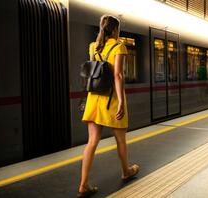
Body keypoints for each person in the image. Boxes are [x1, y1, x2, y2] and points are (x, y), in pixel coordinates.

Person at [78, 15, 139, 197]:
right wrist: (121, 101)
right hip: (111, 99)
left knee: (92, 142)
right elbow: (117, 76)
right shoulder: (118, 46)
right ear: (115, 30)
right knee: (121, 140)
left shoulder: (93, 47)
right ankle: (126, 171)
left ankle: (83, 184)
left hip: (94, 98)